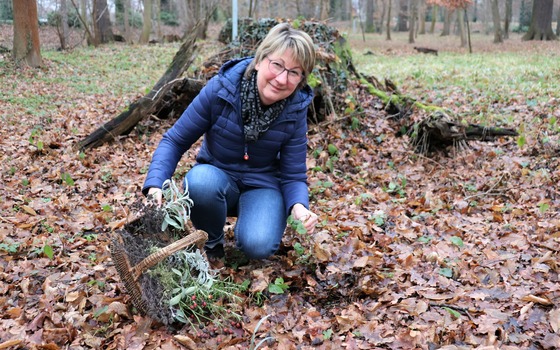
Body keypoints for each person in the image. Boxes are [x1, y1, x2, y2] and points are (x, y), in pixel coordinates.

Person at [142, 22, 319, 260]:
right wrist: (155, 185)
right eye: (277, 65)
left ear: (301, 80)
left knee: (258, 246)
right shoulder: (221, 89)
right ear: (259, 61)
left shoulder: (295, 109)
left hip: (263, 186)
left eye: (294, 72)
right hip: (218, 180)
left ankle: (252, 228)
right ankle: (212, 245)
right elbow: (174, 140)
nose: (281, 78)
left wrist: (299, 205)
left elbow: (293, 175)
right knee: (200, 182)